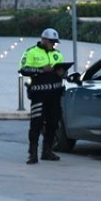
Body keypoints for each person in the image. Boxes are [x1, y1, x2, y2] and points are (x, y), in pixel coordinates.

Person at [18, 28, 66, 164]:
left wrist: (62, 73)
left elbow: (62, 72)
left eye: (54, 42)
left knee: (53, 123)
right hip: (39, 94)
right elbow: (23, 69)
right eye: (51, 42)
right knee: (36, 124)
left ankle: (47, 151)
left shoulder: (58, 54)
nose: (53, 45)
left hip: (55, 95)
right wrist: (40, 70)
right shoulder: (31, 52)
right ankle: (32, 153)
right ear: (43, 40)